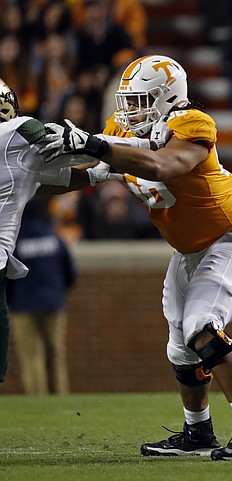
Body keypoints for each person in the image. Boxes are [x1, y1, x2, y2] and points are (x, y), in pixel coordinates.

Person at [43, 55, 232, 461]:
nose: (129, 112)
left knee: (202, 326)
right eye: (127, 101)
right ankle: (198, 433)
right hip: (186, 250)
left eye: (140, 101)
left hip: (228, 239)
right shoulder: (122, 130)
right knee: (181, 347)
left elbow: (163, 164)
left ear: (168, 96)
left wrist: (97, 144)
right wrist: (26, 174)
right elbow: (88, 171)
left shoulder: (193, 122)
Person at [0, 77, 124, 388]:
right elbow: (59, 146)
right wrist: (112, 146)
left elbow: (41, 180)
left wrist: (93, 177)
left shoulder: (13, 156)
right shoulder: (16, 129)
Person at [8, 198, 76, 395]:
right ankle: (61, 395)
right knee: (56, 355)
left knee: (31, 356)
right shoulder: (53, 237)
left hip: (22, 306)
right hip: (53, 304)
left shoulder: (16, 241)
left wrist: (12, 300)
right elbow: (70, 273)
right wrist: (57, 293)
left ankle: (37, 398)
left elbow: (8, 277)